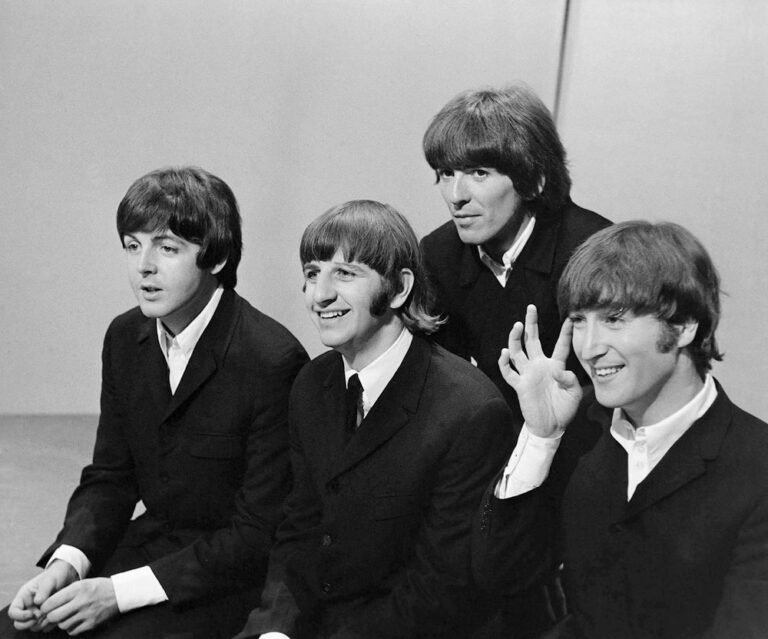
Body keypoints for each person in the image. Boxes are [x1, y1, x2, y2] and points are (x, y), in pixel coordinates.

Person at [3, 167, 308, 639]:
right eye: (132, 245)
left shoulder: (273, 359)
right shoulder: (125, 336)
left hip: (224, 581)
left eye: (167, 248)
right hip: (147, 549)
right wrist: (66, 564)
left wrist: (115, 593)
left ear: (218, 257)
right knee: (15, 629)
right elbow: (110, 477)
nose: (144, 266)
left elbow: (255, 535)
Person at [235, 200, 516, 639]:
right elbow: (298, 533)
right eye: (312, 273)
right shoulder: (311, 383)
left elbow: (441, 591)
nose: (319, 294)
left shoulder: (470, 410)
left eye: (344, 274)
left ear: (400, 289)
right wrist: (274, 631)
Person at [474, 221, 768, 638]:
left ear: (684, 325)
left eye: (614, 319)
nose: (589, 348)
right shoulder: (575, 426)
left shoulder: (757, 466)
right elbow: (498, 573)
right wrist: (540, 437)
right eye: (579, 321)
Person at [420, 84, 610, 423]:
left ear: (534, 180)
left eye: (479, 173)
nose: (455, 195)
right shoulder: (438, 255)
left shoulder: (594, 251)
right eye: (447, 173)